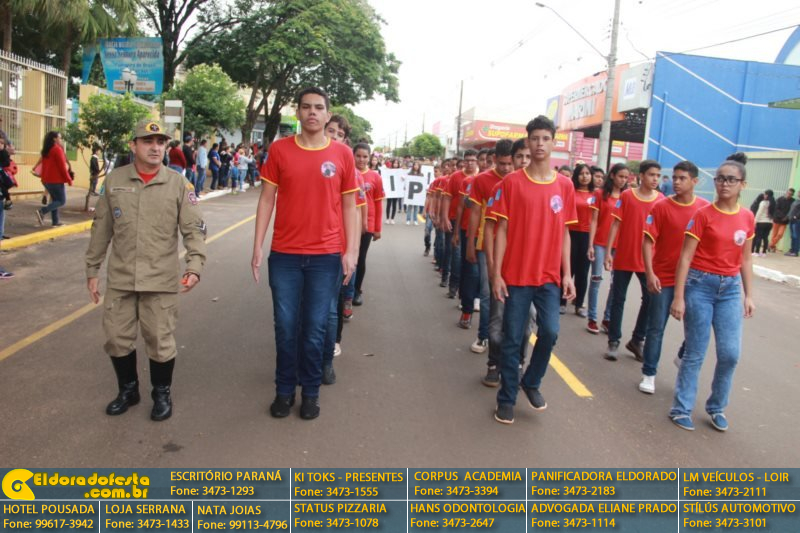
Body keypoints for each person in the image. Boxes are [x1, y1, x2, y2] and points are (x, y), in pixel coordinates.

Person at [85, 119, 207, 422]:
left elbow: (193, 230)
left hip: (160, 279)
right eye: (147, 141)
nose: (155, 147)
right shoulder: (114, 181)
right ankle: (128, 390)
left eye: (160, 142)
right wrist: (92, 269)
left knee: (159, 340)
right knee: (116, 338)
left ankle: (161, 394)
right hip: (122, 278)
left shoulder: (178, 184)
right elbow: (102, 228)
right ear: (133, 145)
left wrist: (194, 266)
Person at [251, 87, 358, 420]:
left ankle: (310, 392)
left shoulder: (342, 154)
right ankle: (284, 391)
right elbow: (267, 199)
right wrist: (257, 246)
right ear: (297, 113)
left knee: (314, 329)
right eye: (306, 107)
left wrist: (351, 251)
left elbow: (350, 205)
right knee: (285, 327)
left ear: (327, 114)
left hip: (326, 257)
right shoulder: (280, 150)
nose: (312, 112)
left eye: (319, 107)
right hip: (285, 255)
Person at [489, 115, 577, 424]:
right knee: (513, 338)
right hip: (517, 276)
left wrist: (567, 274)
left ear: (553, 142)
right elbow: (501, 230)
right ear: (528, 141)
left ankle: (531, 382)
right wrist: (497, 274)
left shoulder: (564, 185)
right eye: (535, 138)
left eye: (545, 139)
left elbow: (565, 232)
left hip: (549, 277)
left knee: (550, 332)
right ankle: (506, 399)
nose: (540, 144)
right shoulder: (512, 183)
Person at [668, 159, 755, 432]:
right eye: (720, 178)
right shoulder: (703, 215)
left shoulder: (747, 217)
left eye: (731, 179)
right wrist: (679, 296)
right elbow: (685, 257)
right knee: (695, 351)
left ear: (742, 185)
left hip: (730, 289)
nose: (724, 184)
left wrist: (748, 295)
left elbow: (746, 259)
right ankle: (681, 408)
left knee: (730, 353)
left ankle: (717, 406)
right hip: (700, 285)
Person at [639, 161, 709, 394]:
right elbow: (647, 242)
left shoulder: (704, 209)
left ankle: (682, 355)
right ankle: (649, 373)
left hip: (694, 279)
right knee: (656, 327)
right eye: (675, 178)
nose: (676, 182)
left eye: (682, 178)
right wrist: (650, 273)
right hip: (664, 277)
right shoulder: (661, 207)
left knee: (698, 327)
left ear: (695, 181)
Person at [480, 138, 532, 386]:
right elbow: (491, 228)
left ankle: (518, 363)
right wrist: (492, 267)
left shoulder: (548, 188)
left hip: (531, 270)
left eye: (528, 157)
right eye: (519, 157)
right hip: (504, 267)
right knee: (498, 318)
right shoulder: (501, 188)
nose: (523, 162)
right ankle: (494, 363)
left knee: (526, 323)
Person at [603, 160, 664, 361]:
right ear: (641, 176)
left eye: (658, 175)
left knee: (650, 299)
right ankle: (613, 340)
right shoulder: (627, 196)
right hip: (624, 256)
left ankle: (637, 339)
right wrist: (608, 252)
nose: (655, 179)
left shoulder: (661, 200)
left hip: (648, 260)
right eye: (651, 175)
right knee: (618, 299)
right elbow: (615, 224)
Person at [466, 139, 514, 354]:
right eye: (502, 163)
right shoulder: (482, 180)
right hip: (486, 244)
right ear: (494, 159)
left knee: (510, 295)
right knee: (487, 292)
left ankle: (507, 339)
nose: (506, 168)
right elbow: (475, 213)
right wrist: (470, 243)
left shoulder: (519, 180)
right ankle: (484, 335)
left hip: (514, 247)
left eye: (510, 163)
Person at [586, 164, 629, 334]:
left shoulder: (627, 196)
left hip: (619, 245)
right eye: (620, 176)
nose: (623, 180)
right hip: (600, 243)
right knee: (596, 279)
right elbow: (594, 220)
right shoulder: (600, 194)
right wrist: (590, 244)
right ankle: (592, 318)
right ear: (612, 176)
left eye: (625, 177)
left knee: (615, 283)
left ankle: (608, 318)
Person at [441, 150, 478, 299]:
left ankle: (465, 292)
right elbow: (447, 198)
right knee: (455, 255)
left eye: (473, 160)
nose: (469, 163)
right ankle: (452, 284)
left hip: (473, 225)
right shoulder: (456, 177)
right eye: (467, 160)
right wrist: (444, 218)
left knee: (467, 261)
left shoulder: (480, 177)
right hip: (455, 221)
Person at [562, 163, 594, 317]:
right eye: (581, 173)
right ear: (576, 176)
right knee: (568, 268)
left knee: (583, 272)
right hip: (570, 233)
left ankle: (579, 304)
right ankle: (562, 301)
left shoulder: (596, 194)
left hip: (587, 236)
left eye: (587, 173)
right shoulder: (570, 191)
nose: (585, 176)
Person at [36, 131, 73, 227]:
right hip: (55, 180)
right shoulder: (57, 149)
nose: (61, 140)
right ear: (54, 139)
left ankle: (55, 221)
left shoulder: (47, 150)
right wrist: (69, 179)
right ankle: (42, 211)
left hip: (46, 180)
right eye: (59, 137)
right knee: (61, 201)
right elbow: (62, 167)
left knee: (55, 200)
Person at [751, 189, 774, 257]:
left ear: (767, 195)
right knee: (765, 237)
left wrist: (755, 221)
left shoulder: (763, 203)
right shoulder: (773, 203)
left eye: (765, 194)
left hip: (761, 222)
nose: (764, 195)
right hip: (770, 223)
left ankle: (757, 252)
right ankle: (764, 252)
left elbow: (759, 213)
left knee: (758, 237)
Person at [405, 161, 423, 225]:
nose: (416, 166)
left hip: (417, 193)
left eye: (417, 165)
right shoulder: (409, 174)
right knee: (409, 207)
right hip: (411, 192)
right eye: (415, 165)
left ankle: (415, 220)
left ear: (419, 167)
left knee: (416, 207)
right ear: (413, 166)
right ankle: (408, 219)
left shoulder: (421, 174)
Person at [786, 190, 800, 257]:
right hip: (791, 220)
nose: (798, 193)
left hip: (796, 221)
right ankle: (792, 250)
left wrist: (796, 217)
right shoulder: (796, 201)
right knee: (792, 236)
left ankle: (795, 251)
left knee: (796, 236)